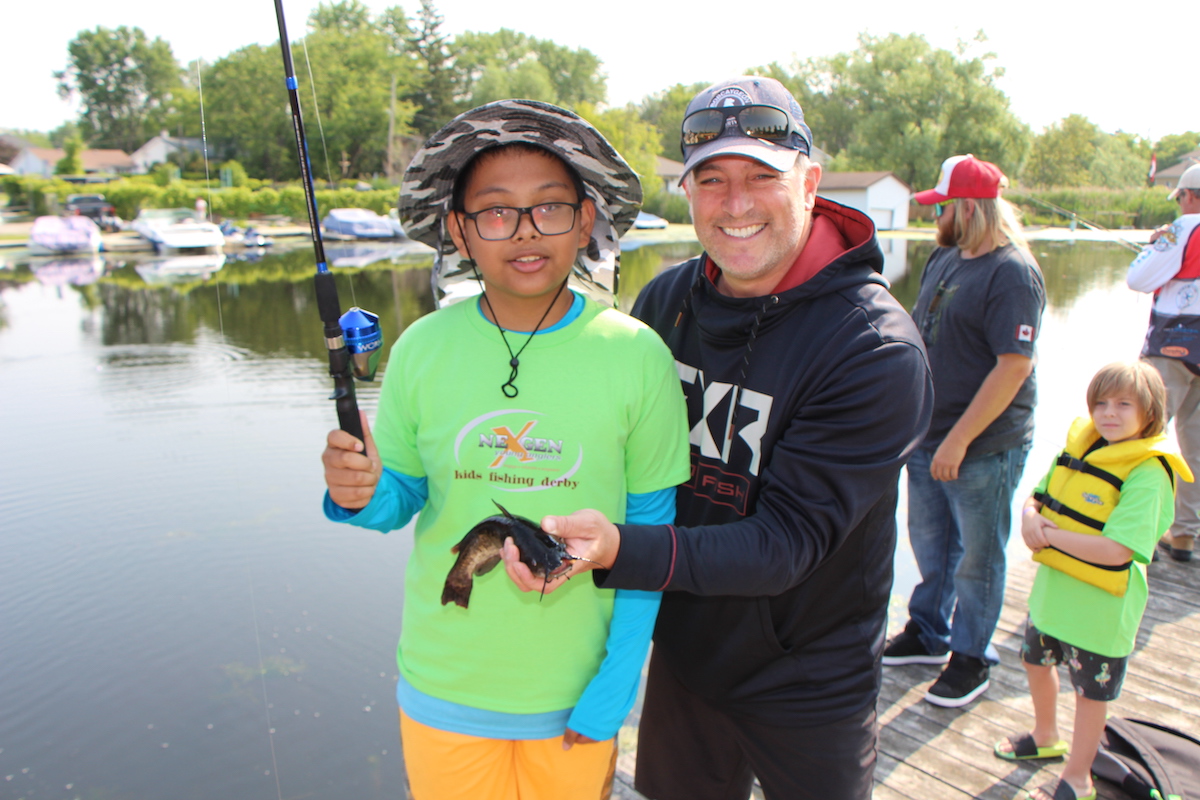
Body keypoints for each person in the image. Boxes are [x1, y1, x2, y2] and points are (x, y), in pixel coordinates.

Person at [503, 77, 933, 800]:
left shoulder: (873, 350)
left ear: (810, 182)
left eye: (762, 177)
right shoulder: (667, 302)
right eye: (712, 180)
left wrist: (616, 549)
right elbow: (613, 456)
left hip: (810, 676)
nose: (735, 205)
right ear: (689, 192)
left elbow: (786, 543)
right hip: (686, 656)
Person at [320, 100, 691, 800]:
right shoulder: (422, 348)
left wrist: (614, 691)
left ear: (586, 221)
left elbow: (652, 540)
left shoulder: (637, 355)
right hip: (444, 688)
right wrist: (357, 492)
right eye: (496, 212)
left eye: (549, 208)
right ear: (458, 230)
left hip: (574, 697)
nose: (525, 233)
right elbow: (398, 502)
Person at [883, 154, 1046, 708]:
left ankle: (971, 657)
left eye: (943, 207)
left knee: (979, 555)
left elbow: (1013, 366)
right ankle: (928, 630)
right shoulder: (945, 257)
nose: (937, 217)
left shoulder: (1012, 272)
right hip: (926, 433)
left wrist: (959, 440)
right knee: (930, 542)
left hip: (984, 446)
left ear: (969, 208)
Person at [994, 361, 1190, 800]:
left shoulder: (1149, 473)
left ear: (1151, 414)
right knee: (1034, 661)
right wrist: (1029, 516)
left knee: (1090, 693)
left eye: (1124, 404)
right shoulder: (1083, 448)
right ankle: (1046, 735)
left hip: (1101, 608)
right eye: (1100, 403)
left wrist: (1051, 536)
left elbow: (1118, 549)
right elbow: (1040, 495)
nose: (1108, 413)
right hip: (1053, 595)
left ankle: (1078, 777)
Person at [1126, 162, 1200, 562]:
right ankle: (1184, 534)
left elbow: (1137, 279)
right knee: (1196, 443)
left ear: (1189, 196)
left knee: (1144, 434)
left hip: (1176, 345)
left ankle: (1137, 532)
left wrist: (1155, 247)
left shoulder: (1182, 229)